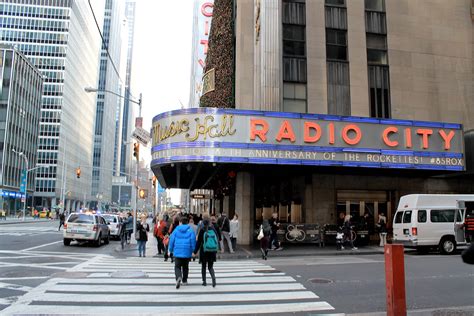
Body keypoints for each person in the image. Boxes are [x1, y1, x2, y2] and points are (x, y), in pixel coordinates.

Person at [168, 216, 196, 289]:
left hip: (177, 251)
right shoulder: (190, 230)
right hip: (187, 252)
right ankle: (184, 280)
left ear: (180, 222)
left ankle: (178, 277)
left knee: (177, 266)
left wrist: (170, 250)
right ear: (187, 223)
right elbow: (193, 241)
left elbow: (171, 240)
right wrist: (193, 250)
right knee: (185, 267)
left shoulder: (176, 230)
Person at [193, 217, 218, 287]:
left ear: (203, 224)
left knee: (203, 266)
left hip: (204, 251)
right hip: (212, 251)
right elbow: (217, 239)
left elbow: (198, 242)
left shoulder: (202, 230)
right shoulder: (213, 229)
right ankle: (213, 278)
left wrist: (195, 252)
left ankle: (204, 281)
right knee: (210, 266)